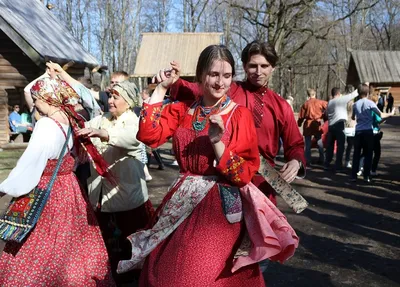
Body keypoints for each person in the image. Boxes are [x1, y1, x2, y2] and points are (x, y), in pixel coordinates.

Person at [117, 45, 298, 286]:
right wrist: (161, 89)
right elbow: (149, 135)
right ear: (202, 75)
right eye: (214, 74)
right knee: (164, 271)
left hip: (219, 209)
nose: (220, 82)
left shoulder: (239, 115)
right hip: (182, 199)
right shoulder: (184, 109)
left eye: (227, 76)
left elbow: (244, 174)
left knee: (200, 275)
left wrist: (217, 144)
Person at [155, 40, 306, 205]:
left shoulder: (281, 105)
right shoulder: (226, 89)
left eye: (264, 66)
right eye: (253, 66)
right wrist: (172, 83)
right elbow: (195, 88)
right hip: (226, 179)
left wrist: (295, 160)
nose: (258, 71)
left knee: (261, 230)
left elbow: (295, 144)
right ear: (244, 66)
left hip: (262, 183)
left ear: (273, 68)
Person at [0, 78, 114, 286]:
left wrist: (5, 189)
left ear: (49, 99)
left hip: (47, 190)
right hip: (68, 189)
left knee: (40, 244)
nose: (35, 104)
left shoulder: (46, 124)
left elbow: (31, 163)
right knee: (69, 242)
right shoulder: (69, 120)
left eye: (37, 99)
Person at [77, 81, 154, 285]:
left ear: (128, 102)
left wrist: (105, 134)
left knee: (130, 245)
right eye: (109, 96)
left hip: (127, 199)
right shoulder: (101, 119)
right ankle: (114, 278)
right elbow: (79, 127)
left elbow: (132, 139)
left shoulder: (134, 121)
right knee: (109, 246)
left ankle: (134, 280)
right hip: (103, 198)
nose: (110, 100)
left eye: (115, 97)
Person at [350, 84, 394, 182]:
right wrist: (391, 113)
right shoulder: (370, 103)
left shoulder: (355, 104)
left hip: (358, 131)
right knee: (368, 154)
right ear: (367, 93)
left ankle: (353, 176)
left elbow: (353, 118)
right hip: (367, 131)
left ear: (358, 93)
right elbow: (381, 114)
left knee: (356, 154)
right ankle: (366, 176)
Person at [324, 87, 358, 172]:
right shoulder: (341, 100)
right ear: (339, 94)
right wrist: (364, 84)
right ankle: (338, 165)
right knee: (340, 146)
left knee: (330, 146)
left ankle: (327, 163)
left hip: (331, 126)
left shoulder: (330, 102)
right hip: (339, 125)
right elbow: (353, 94)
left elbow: (326, 114)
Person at [297, 88, 327, 165]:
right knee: (320, 142)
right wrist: (325, 117)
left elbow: (301, 116)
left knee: (308, 143)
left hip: (308, 124)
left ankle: (308, 160)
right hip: (316, 123)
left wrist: (299, 123)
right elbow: (328, 107)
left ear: (308, 95)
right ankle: (322, 159)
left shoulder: (306, 104)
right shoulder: (321, 102)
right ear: (315, 94)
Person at [344, 85, 356, 168]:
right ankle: (348, 161)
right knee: (352, 145)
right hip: (351, 125)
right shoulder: (352, 103)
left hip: (345, 124)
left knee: (349, 145)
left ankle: (347, 161)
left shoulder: (343, 101)